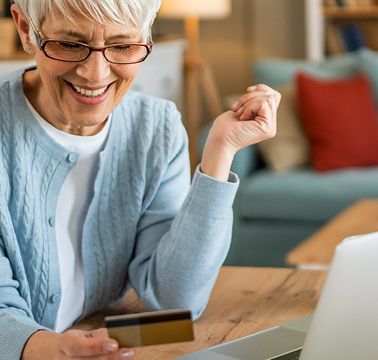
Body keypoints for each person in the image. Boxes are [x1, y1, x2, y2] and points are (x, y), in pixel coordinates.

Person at [0, 0, 280, 359]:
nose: (96, 73)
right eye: (70, 44)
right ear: (26, 30)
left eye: (122, 46)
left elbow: (175, 299)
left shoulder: (156, 129)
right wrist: (48, 350)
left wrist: (220, 152)